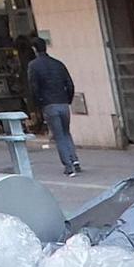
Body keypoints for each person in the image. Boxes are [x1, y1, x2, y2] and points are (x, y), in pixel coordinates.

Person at [25, 38, 80, 175]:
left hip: (49, 104)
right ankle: (75, 160)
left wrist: (38, 104)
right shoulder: (58, 64)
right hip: (63, 103)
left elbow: (34, 88)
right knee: (67, 133)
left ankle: (68, 167)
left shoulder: (33, 65)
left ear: (34, 49)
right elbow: (70, 84)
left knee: (59, 136)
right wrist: (68, 99)